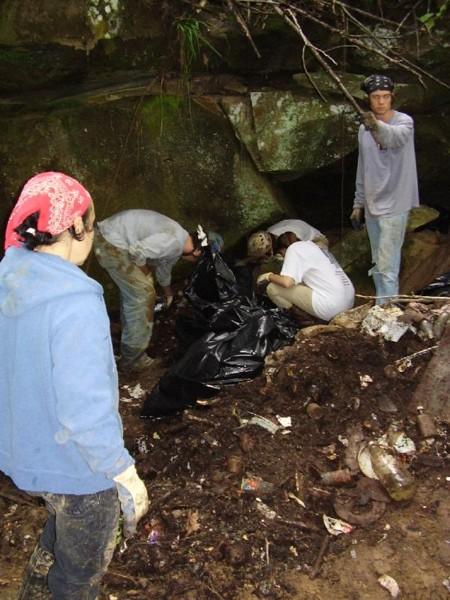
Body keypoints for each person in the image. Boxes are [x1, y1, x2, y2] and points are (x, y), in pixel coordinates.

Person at [0, 172, 149, 599]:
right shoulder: (76, 300)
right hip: (76, 470)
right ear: (76, 226)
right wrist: (121, 471)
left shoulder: (10, 274)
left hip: (25, 455)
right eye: (93, 225)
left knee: (57, 536)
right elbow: (84, 407)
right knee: (79, 575)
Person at [94, 209, 221, 373]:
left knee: (136, 294)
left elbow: (163, 268)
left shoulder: (178, 243)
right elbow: (137, 251)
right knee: (143, 295)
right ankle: (133, 360)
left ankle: (127, 351)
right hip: (112, 243)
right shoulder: (174, 240)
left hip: (110, 239)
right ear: (198, 251)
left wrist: (168, 294)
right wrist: (146, 273)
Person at [350, 74, 419, 304]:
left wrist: (375, 125)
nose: (381, 101)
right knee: (378, 262)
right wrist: (358, 204)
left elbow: (393, 138)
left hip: (396, 201)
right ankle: (383, 306)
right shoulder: (363, 130)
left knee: (388, 263)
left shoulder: (404, 122)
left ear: (392, 97)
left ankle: (388, 310)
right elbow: (363, 167)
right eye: (375, 97)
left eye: (385, 97)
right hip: (372, 202)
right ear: (368, 99)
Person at [256, 232, 355, 322]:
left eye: (282, 255)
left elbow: (287, 282)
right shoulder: (312, 245)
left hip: (333, 307)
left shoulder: (293, 249)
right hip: (349, 299)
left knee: (272, 288)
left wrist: (269, 276)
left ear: (283, 250)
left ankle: (305, 321)